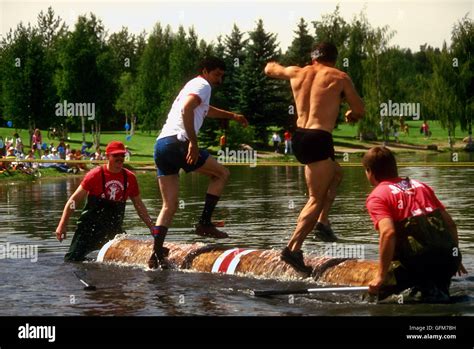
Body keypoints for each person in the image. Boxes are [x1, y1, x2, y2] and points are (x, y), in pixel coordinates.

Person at [264, 42, 365, 274]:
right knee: (315, 199)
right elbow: (360, 109)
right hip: (319, 138)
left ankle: (323, 222)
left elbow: (270, 69)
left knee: (337, 174)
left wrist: (273, 65)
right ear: (334, 58)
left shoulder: (297, 72)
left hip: (300, 136)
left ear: (313, 58)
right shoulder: (340, 77)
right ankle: (293, 249)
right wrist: (351, 114)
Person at [151, 57, 248, 269]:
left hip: (161, 145)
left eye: (222, 75)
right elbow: (187, 109)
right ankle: (204, 222)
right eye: (217, 74)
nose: (220, 79)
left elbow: (205, 110)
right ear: (205, 71)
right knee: (221, 173)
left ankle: (156, 254)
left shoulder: (193, 86)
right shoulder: (203, 85)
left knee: (170, 205)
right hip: (179, 142)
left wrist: (232, 116)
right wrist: (193, 143)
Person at [363, 147, 467, 301]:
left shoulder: (377, 196)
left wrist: (380, 276)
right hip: (448, 260)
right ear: (394, 167)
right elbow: (450, 225)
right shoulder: (420, 185)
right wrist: (455, 257)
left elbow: (388, 233)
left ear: (369, 171)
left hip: (417, 262)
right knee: (438, 297)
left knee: (373, 298)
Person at [55, 141, 156, 261]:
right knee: (72, 261)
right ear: (107, 156)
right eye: (115, 156)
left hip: (113, 229)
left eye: (122, 156)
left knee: (123, 261)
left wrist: (152, 227)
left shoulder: (130, 178)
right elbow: (74, 201)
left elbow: (139, 206)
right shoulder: (94, 175)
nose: (120, 159)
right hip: (88, 228)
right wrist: (62, 224)